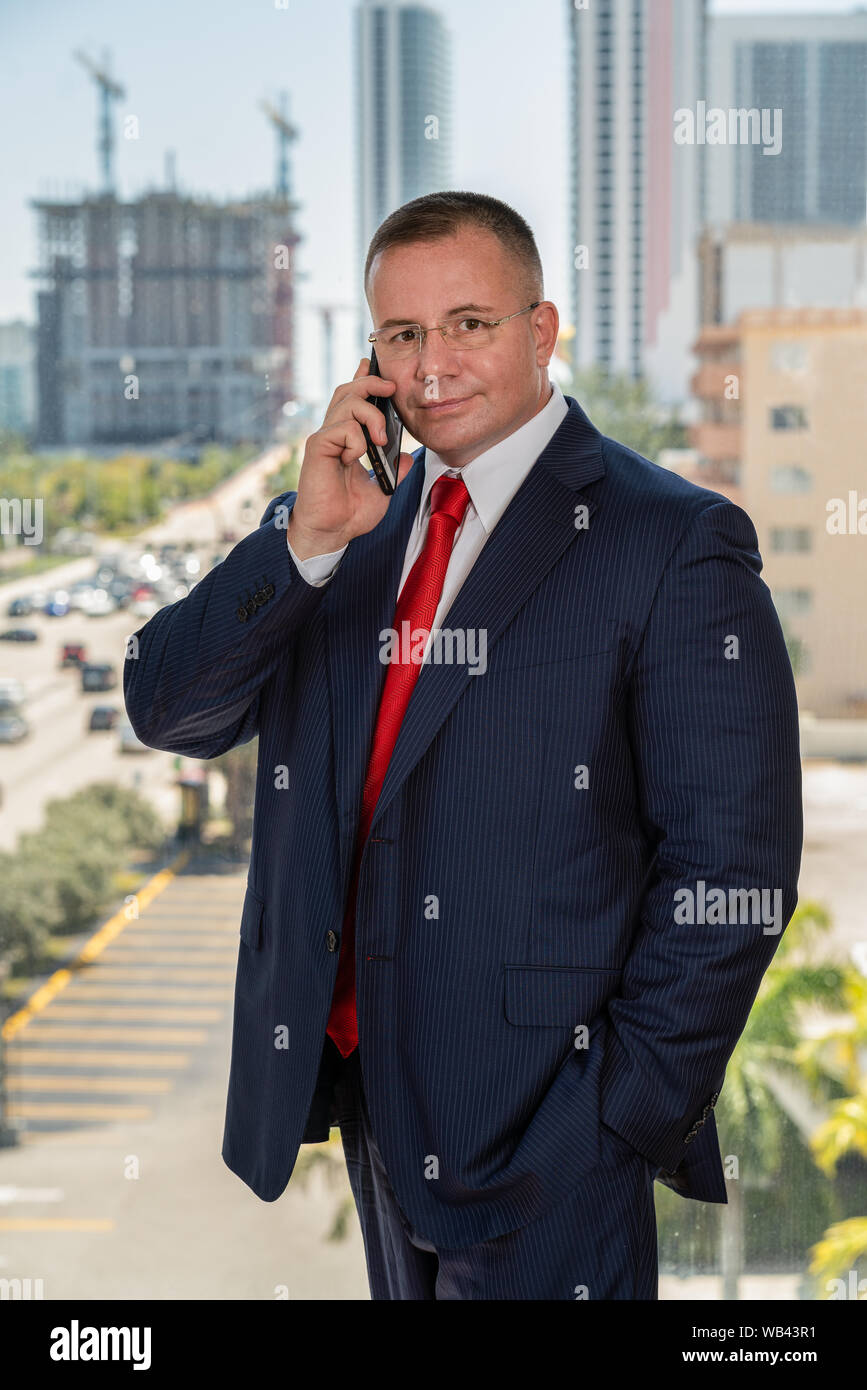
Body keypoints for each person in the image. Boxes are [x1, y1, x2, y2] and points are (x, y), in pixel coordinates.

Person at [123, 190, 803, 1300]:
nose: (431, 363)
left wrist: (618, 1117)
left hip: (556, 1149)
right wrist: (299, 544)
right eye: (402, 334)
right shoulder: (345, 522)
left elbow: (733, 867)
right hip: (376, 1119)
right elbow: (168, 707)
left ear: (542, 332)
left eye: (468, 325)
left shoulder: (669, 541)